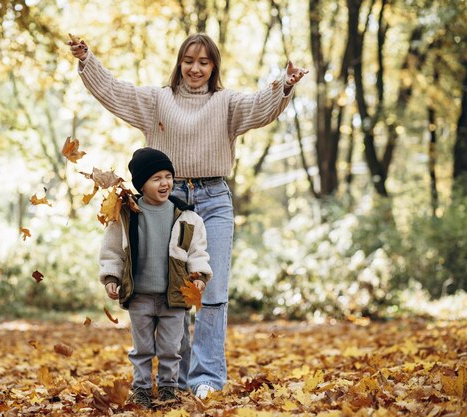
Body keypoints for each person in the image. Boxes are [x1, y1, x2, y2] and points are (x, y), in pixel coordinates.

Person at [71, 32, 308, 398]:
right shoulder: (157, 101)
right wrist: (87, 61)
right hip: (168, 201)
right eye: (189, 60)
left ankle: (207, 379)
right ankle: (176, 380)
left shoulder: (225, 103)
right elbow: (115, 92)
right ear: (179, 63)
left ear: (213, 67)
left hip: (214, 199)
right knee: (172, 291)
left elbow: (261, 107)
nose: (195, 68)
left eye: (204, 62)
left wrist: (284, 85)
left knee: (210, 289)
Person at [99, 147, 213, 408]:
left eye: (168, 176)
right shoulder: (126, 214)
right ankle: (140, 389)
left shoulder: (186, 216)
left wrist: (198, 276)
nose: (165, 183)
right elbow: (113, 251)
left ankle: (168, 388)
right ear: (141, 184)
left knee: (171, 349)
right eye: (156, 178)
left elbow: (197, 250)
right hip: (139, 296)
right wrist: (111, 278)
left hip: (173, 296)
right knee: (141, 349)